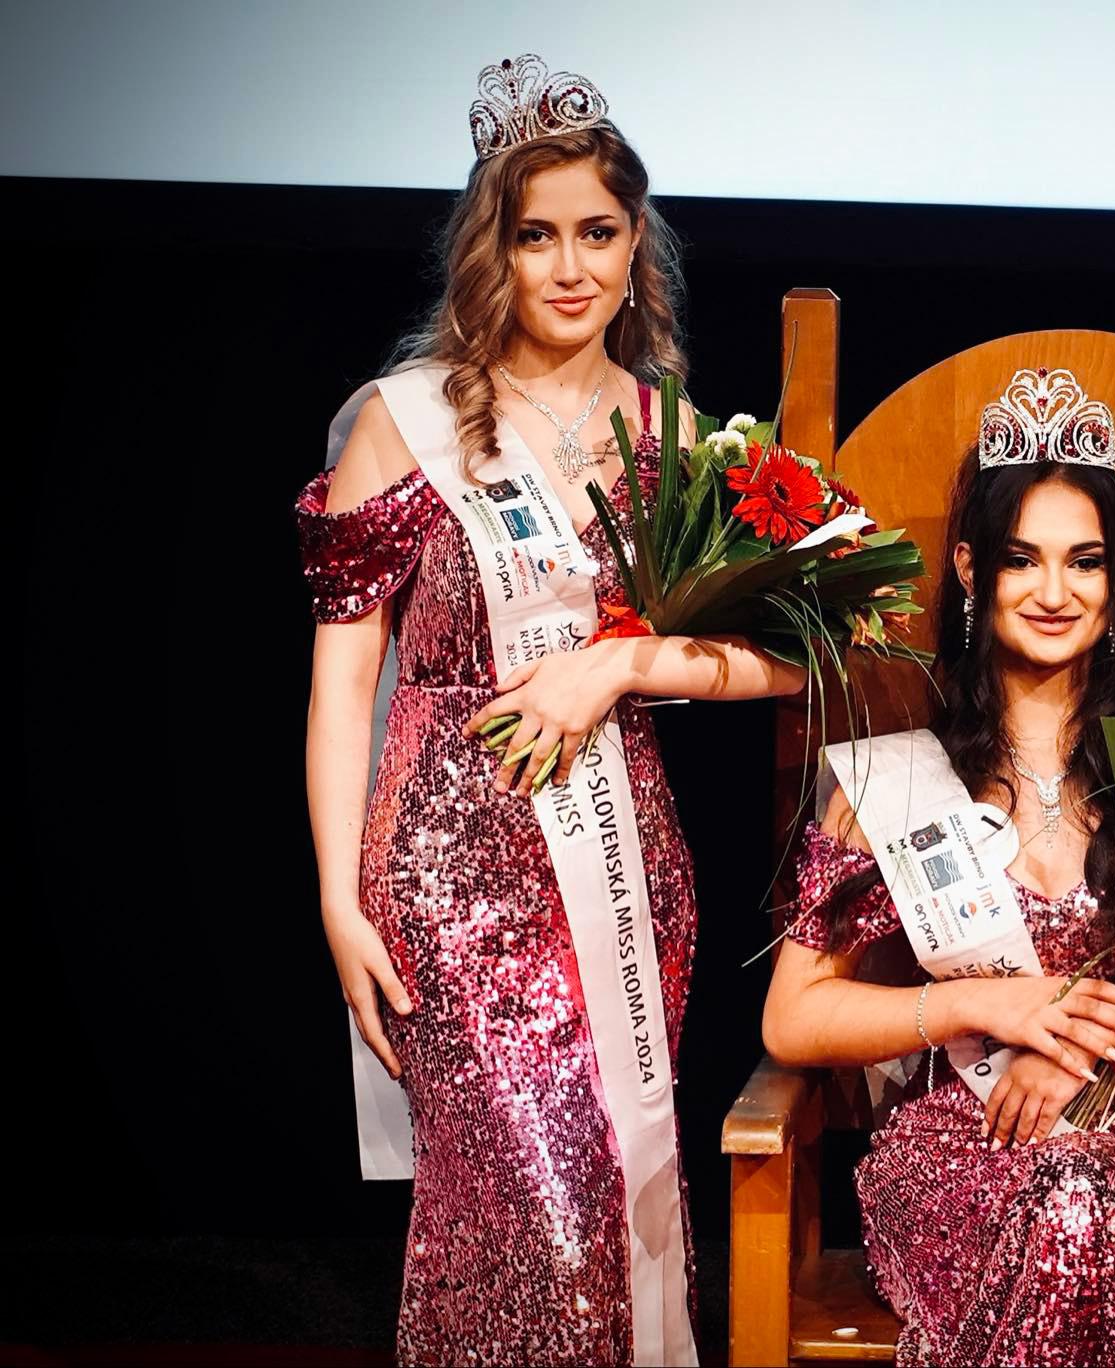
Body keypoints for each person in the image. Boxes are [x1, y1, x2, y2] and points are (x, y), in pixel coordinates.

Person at [298, 55, 802, 1366]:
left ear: (638, 246)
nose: (571, 267)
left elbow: (797, 658)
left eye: (598, 232)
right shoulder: (404, 427)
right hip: (452, 877)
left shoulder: (674, 436)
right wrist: (339, 901)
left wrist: (628, 667)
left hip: (625, 866)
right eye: (537, 237)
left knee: (607, 1201)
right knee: (519, 1214)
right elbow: (346, 681)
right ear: (493, 254)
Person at [763, 367, 1115, 1367]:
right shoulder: (892, 786)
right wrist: (991, 1007)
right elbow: (793, 1019)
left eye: (1084, 562)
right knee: (1047, 1214)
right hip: (951, 1154)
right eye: (1022, 560)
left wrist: (1079, 1040)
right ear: (973, 570)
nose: (1054, 592)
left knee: (1070, 1208)